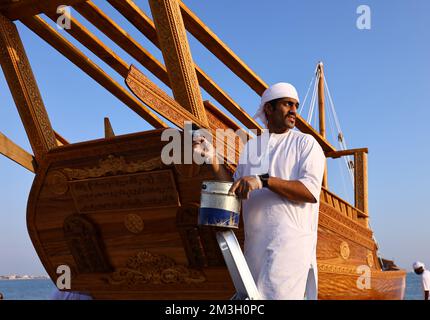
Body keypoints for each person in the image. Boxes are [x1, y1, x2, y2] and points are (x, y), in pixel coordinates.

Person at [193, 82, 325, 300]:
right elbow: (234, 189)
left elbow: (310, 191)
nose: (294, 110)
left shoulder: (306, 143)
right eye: (287, 104)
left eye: (295, 105)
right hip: (254, 248)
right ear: (269, 109)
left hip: (289, 246)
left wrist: (263, 181)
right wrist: (212, 157)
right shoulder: (252, 148)